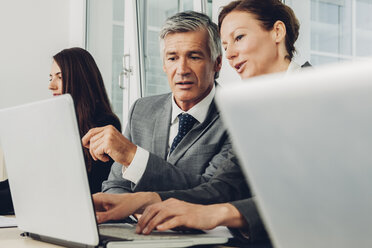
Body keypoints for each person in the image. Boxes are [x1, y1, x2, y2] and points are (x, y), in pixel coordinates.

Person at [92, 0, 309, 242]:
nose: (230, 54)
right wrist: (144, 200)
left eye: (238, 38)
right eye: (226, 45)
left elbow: (319, 194)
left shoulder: (320, 91)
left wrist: (223, 212)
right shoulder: (258, 109)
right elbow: (223, 187)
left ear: (277, 32)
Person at [82, 11, 234, 194]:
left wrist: (133, 156)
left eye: (194, 57)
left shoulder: (237, 118)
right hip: (133, 223)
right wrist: (135, 213)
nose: (182, 70)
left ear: (217, 63)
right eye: (172, 58)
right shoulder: (141, 111)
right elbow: (115, 186)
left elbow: (211, 192)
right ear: (164, 65)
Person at [49, 47, 121, 194]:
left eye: (60, 77)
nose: (51, 85)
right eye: (50, 78)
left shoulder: (104, 124)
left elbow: (92, 188)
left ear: (79, 79)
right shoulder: (58, 123)